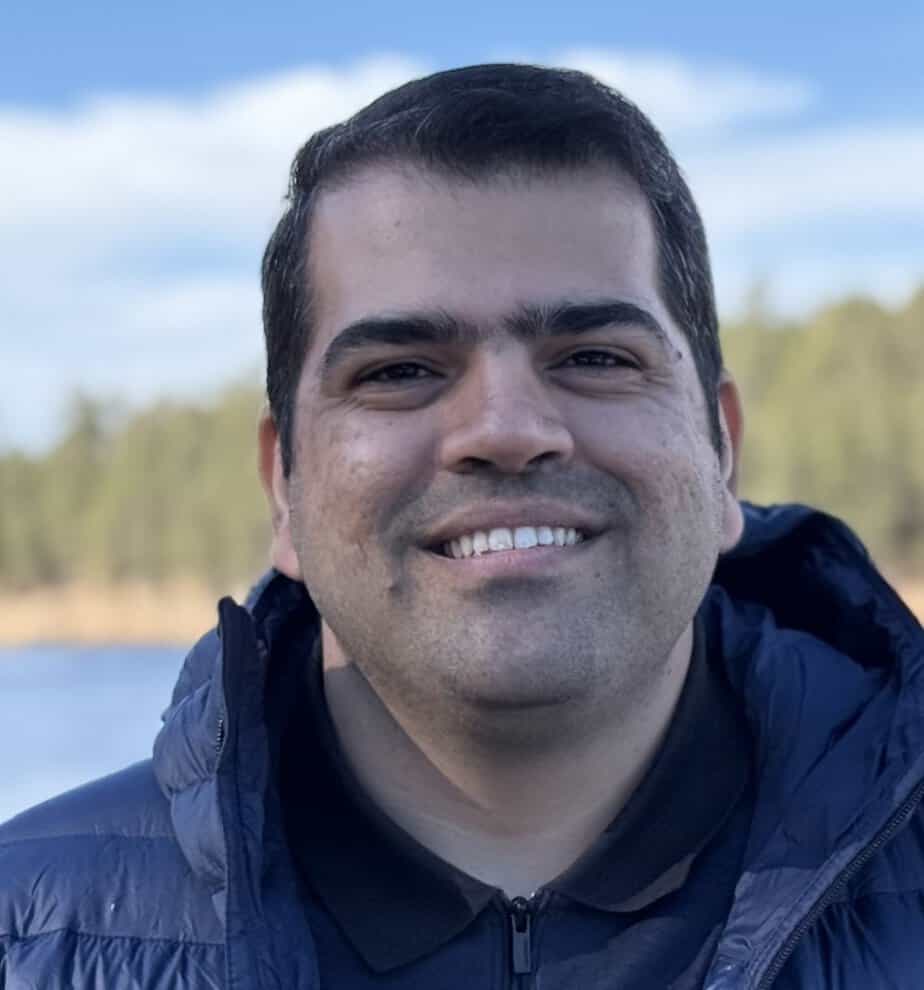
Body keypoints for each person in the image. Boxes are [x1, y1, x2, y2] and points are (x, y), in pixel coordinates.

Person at [1, 63, 922, 990]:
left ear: (722, 449)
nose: (507, 431)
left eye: (595, 356)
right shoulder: (30, 939)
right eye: (400, 370)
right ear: (283, 486)